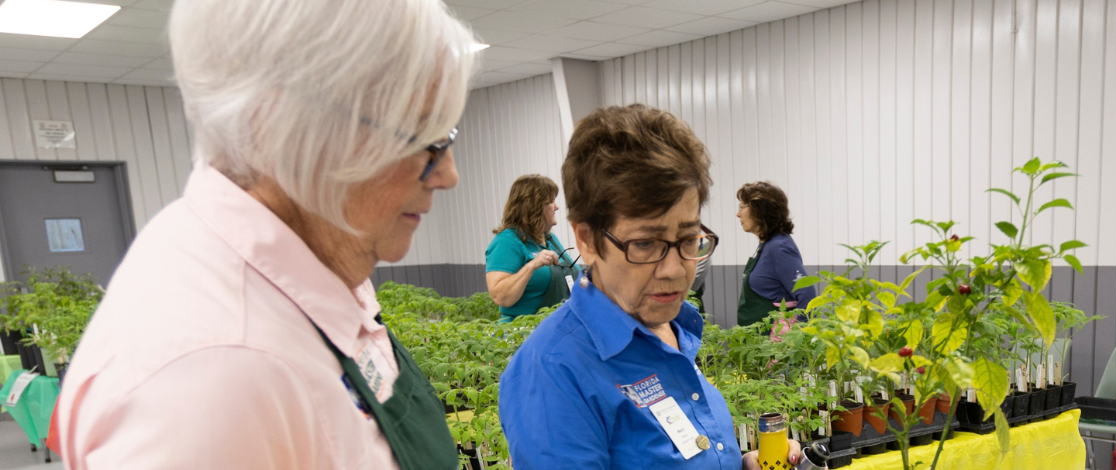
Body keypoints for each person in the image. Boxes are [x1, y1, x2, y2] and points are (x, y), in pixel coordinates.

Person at [52, 0, 478, 468]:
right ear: (282, 127)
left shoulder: (321, 254)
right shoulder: (213, 385)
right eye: (421, 138)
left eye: (447, 134)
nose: (448, 175)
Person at [499, 104, 800, 469]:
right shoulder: (554, 373)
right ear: (586, 239)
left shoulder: (674, 330)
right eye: (644, 244)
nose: (675, 269)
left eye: (689, 238)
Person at [486, 174, 579, 321]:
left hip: (556, 327)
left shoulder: (550, 239)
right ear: (534, 207)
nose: (557, 207)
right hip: (523, 334)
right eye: (551, 201)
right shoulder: (507, 242)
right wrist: (532, 266)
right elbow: (500, 296)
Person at [734, 182, 817, 326]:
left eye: (742, 207)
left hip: (773, 343)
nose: (738, 214)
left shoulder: (779, 248)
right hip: (755, 342)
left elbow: (807, 296)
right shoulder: (766, 245)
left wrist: (794, 338)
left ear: (760, 210)